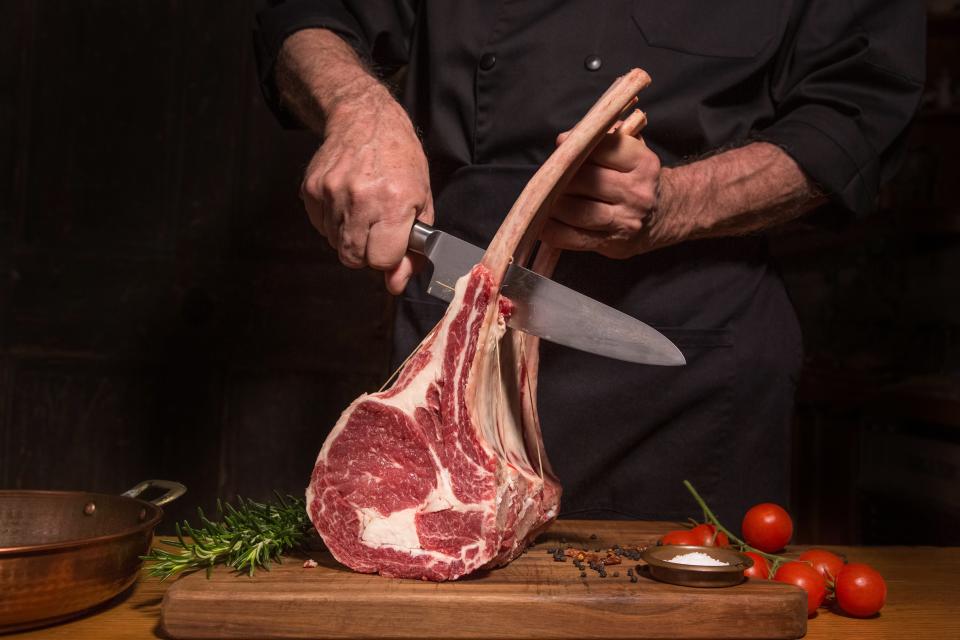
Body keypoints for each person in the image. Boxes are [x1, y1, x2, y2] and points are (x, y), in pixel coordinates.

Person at [253, 1, 924, 523]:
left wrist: (677, 203)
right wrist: (359, 106)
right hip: (459, 333)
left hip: (692, 354)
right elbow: (305, 14)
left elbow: (863, 109)